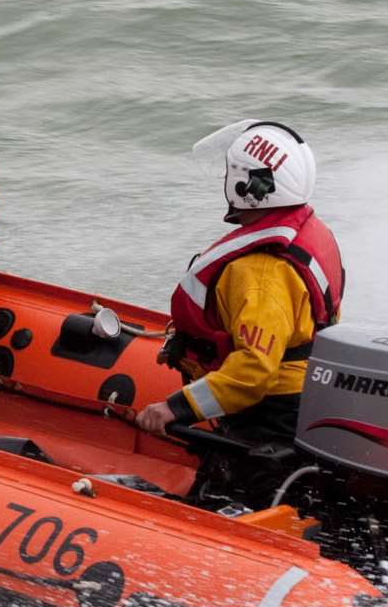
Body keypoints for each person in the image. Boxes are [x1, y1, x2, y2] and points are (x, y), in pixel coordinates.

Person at [136, 120, 345, 507]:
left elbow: (253, 371)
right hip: (304, 396)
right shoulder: (305, 232)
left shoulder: (260, 272)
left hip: (270, 415)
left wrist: (174, 408)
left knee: (219, 505)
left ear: (247, 186)